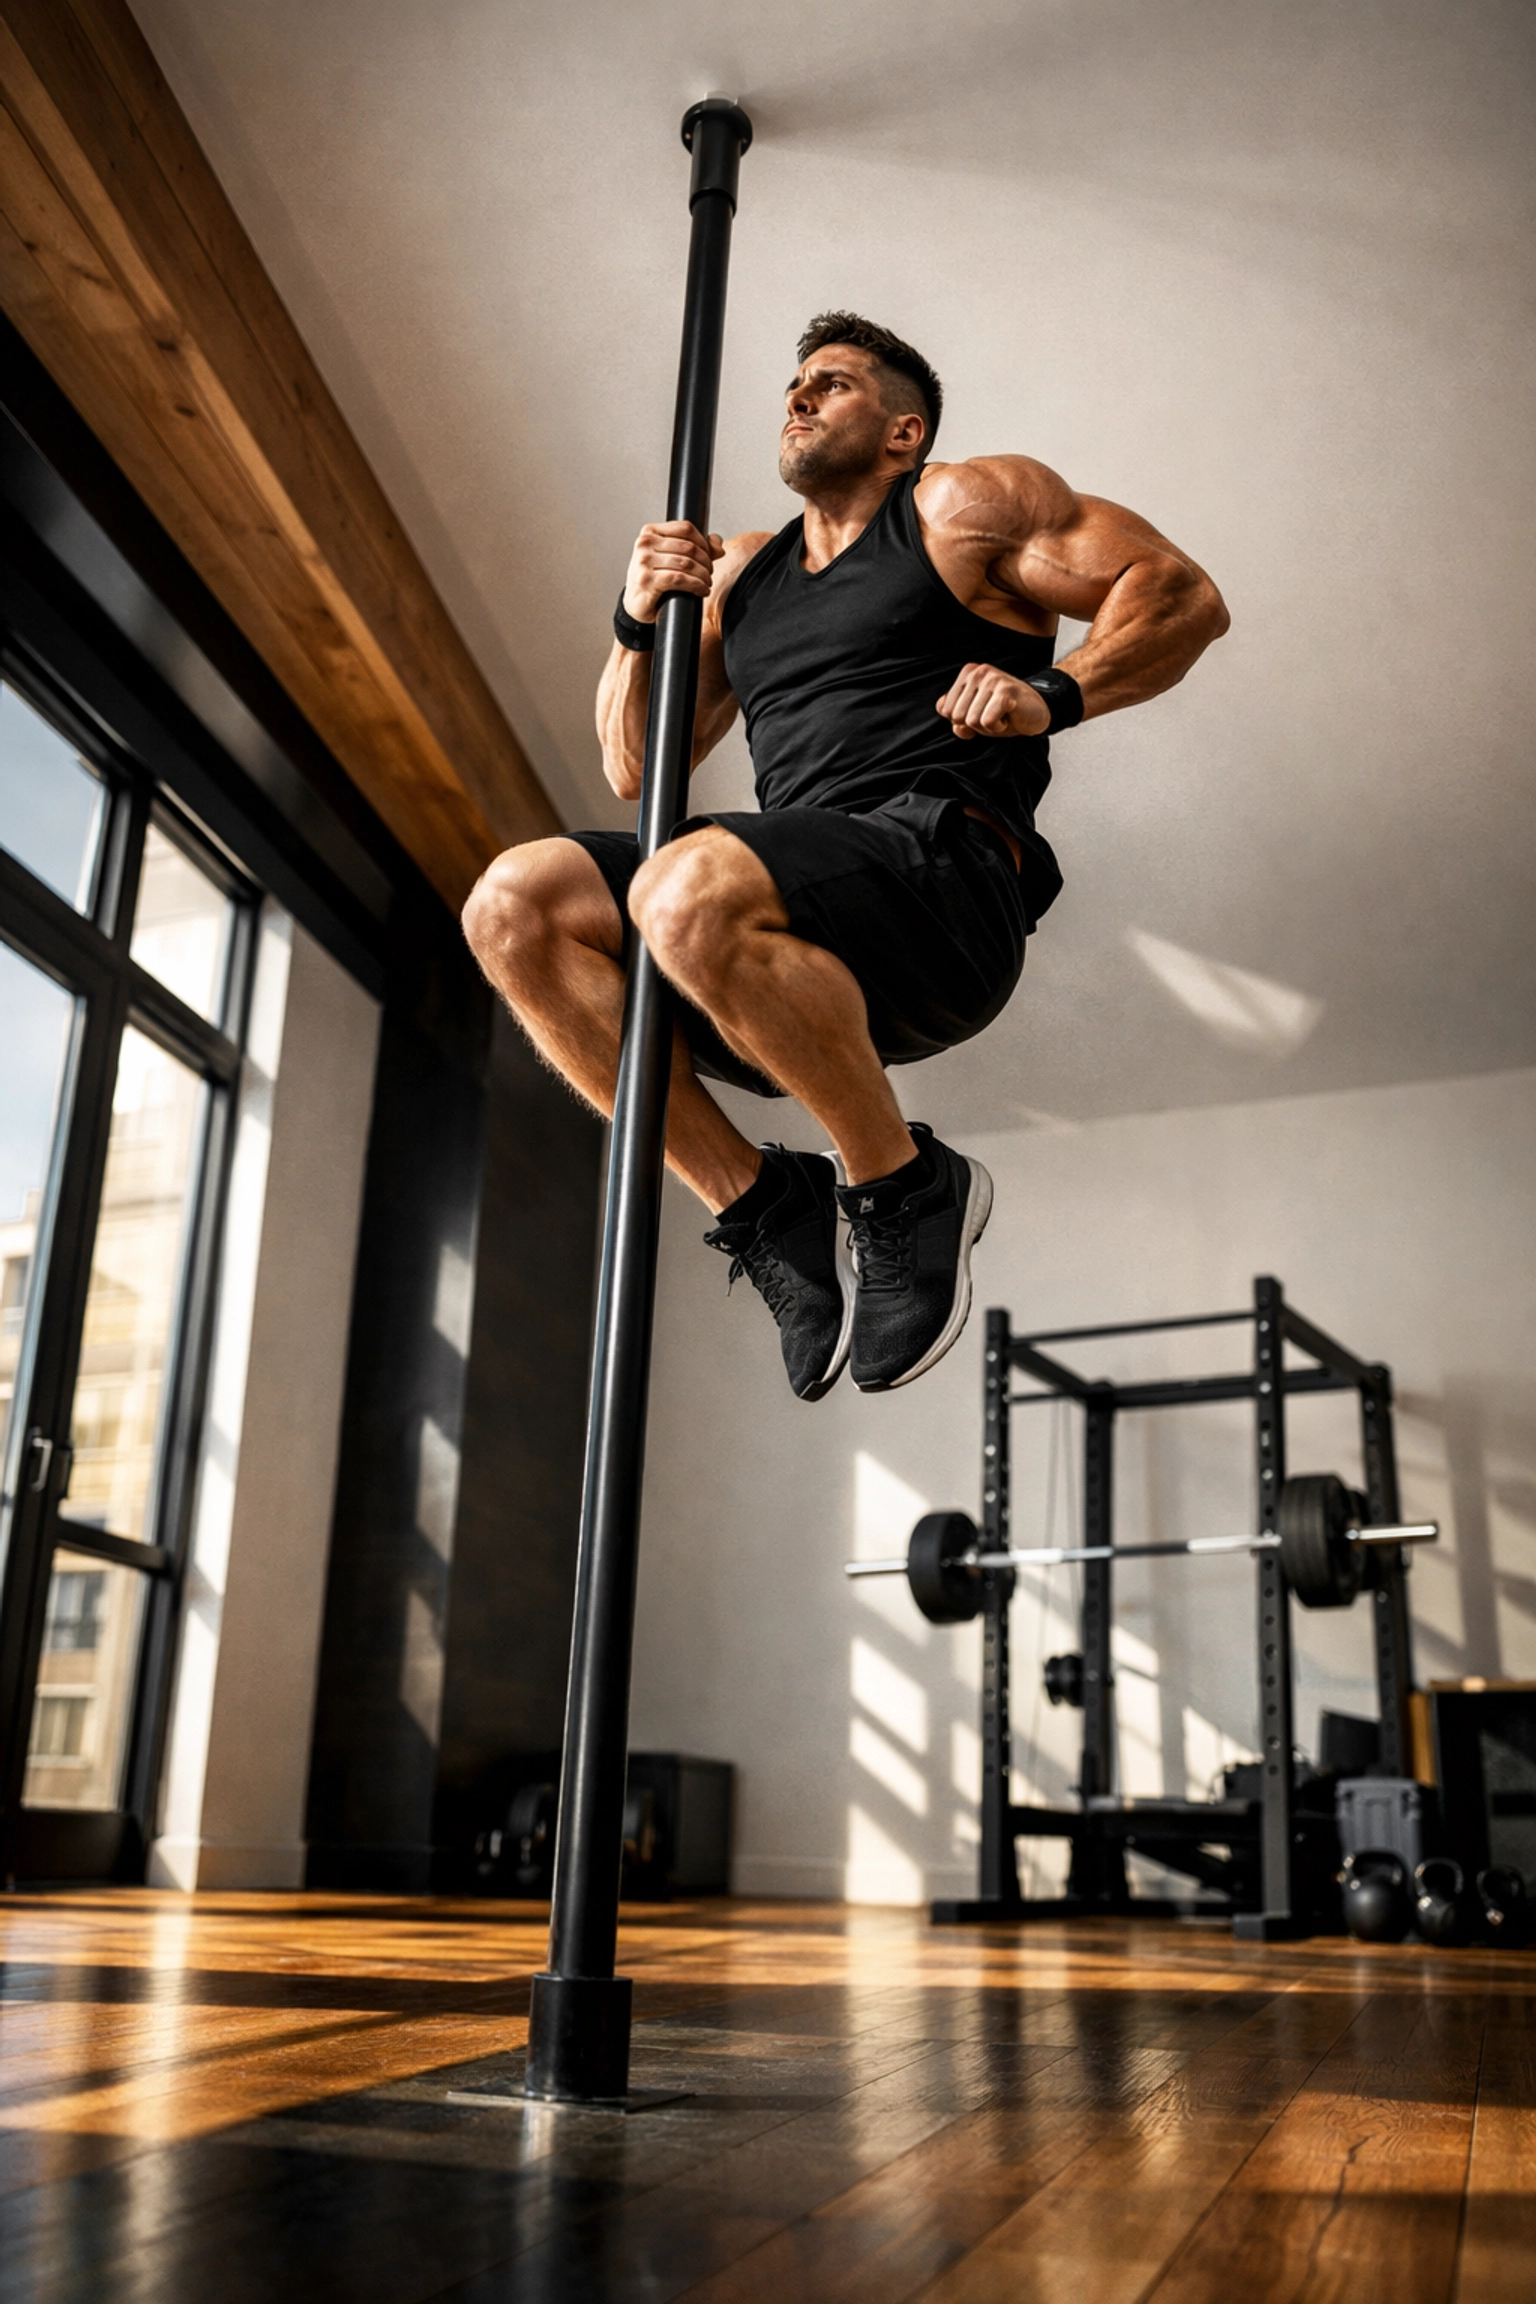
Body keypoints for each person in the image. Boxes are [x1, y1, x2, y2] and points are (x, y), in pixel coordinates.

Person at [463, 313, 1228, 1401]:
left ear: (903, 432)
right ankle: (755, 1200)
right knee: (512, 903)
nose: (799, 399)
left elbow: (1181, 596)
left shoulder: (964, 507)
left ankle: (900, 1191)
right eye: (795, 386)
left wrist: (1051, 695)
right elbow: (637, 764)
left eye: (832, 384)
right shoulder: (739, 572)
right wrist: (637, 624)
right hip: (761, 932)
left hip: (942, 890)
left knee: (680, 884)